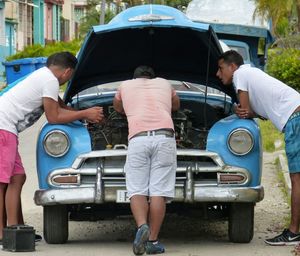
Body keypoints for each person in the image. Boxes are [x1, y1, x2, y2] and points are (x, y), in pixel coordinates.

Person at [0, 51, 103, 243]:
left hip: (6, 128)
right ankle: (5, 233)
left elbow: (63, 108)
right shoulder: (50, 81)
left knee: (18, 177)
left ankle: (17, 228)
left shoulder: (44, 77)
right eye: (70, 77)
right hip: (3, 128)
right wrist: (86, 112)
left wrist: (84, 115)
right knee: (3, 183)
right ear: (67, 72)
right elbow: (54, 116)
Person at [216, 50, 300, 246]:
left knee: (297, 179)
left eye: (221, 69)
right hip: (296, 114)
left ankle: (294, 232)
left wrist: (239, 110)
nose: (218, 75)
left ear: (232, 66)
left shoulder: (241, 75)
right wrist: (246, 111)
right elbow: (255, 112)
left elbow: (245, 112)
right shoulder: (251, 73)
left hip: (295, 119)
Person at [113, 66, 180, 255]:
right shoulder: (165, 83)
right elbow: (176, 105)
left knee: (137, 189)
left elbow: (118, 108)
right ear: (153, 77)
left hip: (138, 139)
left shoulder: (125, 85)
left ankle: (142, 226)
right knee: (159, 191)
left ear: (135, 78)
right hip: (165, 138)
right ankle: (152, 241)